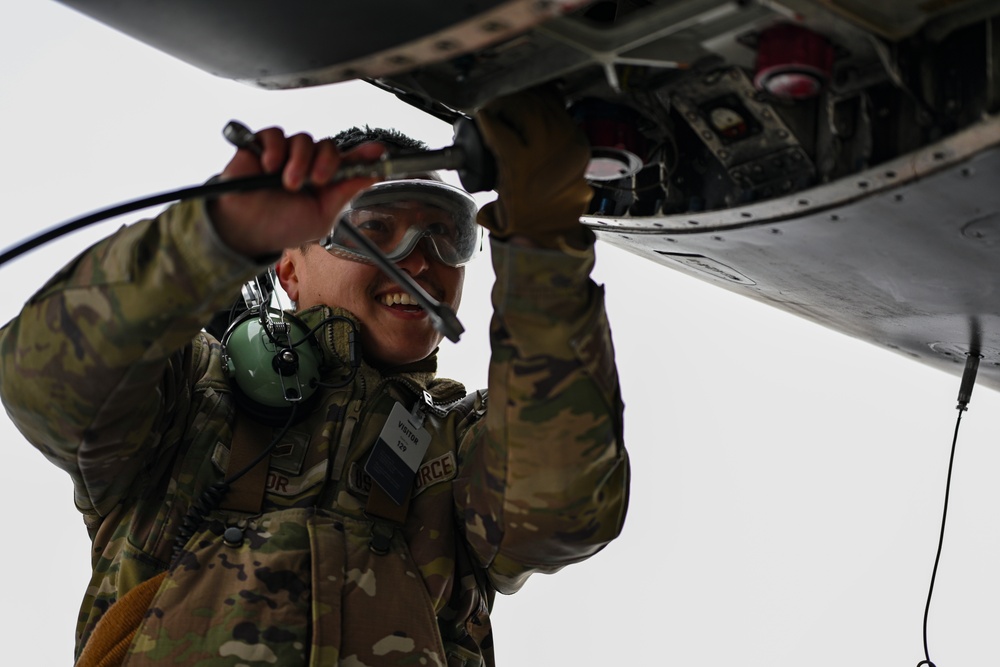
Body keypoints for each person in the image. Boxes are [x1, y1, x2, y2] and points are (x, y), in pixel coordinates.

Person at [0, 89, 629, 666]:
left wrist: (544, 252)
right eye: (375, 231)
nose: (417, 260)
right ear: (289, 268)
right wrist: (211, 237)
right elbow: (41, 379)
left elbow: (562, 512)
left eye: (444, 236)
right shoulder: (187, 396)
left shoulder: (461, 448)